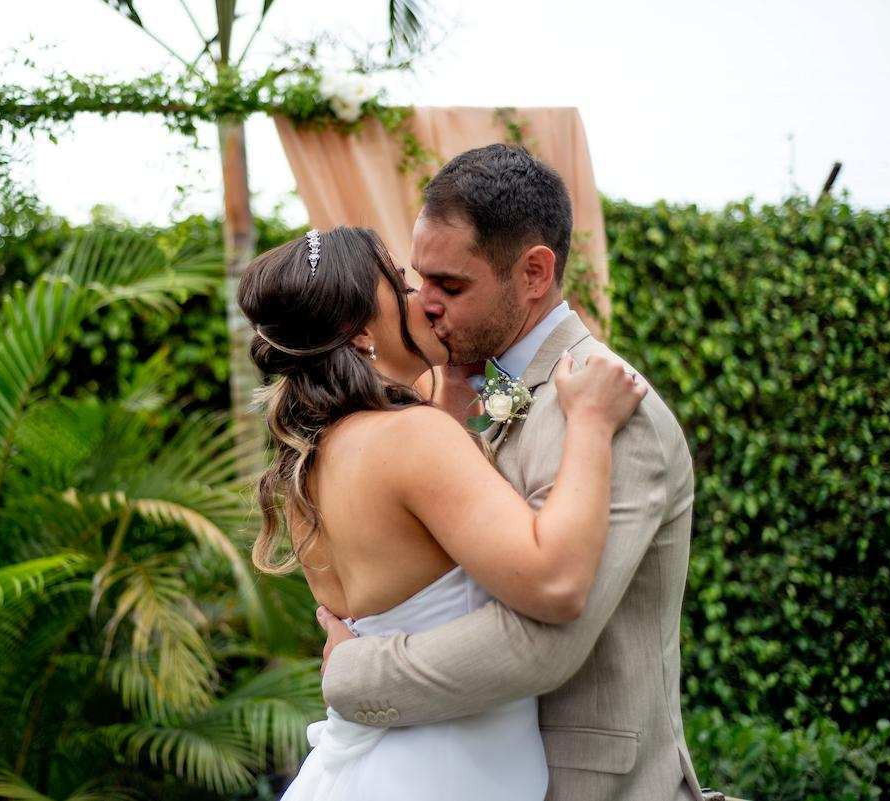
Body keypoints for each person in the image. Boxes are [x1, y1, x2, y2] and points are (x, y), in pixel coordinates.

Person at [315, 144, 703, 801]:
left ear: (533, 272)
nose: (425, 305)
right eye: (421, 280)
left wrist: (352, 672)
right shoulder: (457, 389)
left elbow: (545, 644)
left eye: (452, 286)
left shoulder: (610, 413)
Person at [238, 221, 646, 800]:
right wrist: (590, 424)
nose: (423, 300)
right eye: (401, 284)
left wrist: (454, 403)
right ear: (358, 331)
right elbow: (555, 582)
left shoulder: (312, 460)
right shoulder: (410, 438)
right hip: (439, 775)